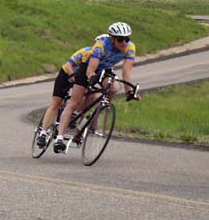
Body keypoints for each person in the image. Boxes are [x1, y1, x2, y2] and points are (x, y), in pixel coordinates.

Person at [54, 22, 141, 153]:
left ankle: (91, 117)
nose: (124, 42)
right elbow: (91, 68)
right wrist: (90, 78)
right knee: (74, 101)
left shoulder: (130, 47)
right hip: (87, 68)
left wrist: (130, 91)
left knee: (114, 88)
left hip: (105, 70)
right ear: (112, 38)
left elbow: (126, 72)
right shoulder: (101, 45)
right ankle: (59, 138)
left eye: (127, 39)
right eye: (120, 39)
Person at [37, 46, 91, 148]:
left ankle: (74, 115)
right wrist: (72, 76)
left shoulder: (104, 60)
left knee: (86, 95)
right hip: (67, 74)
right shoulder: (85, 51)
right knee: (56, 102)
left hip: (82, 79)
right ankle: (43, 133)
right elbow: (68, 65)